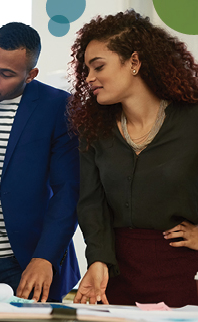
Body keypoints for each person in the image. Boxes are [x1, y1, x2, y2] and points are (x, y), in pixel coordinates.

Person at [68, 10, 198, 307]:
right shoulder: (94, 130)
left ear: (135, 62)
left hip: (185, 271)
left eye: (98, 66)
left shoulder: (193, 120)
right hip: (117, 272)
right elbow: (91, 202)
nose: (89, 78)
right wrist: (98, 259)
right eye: (86, 69)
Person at [0, 22, 80, 302]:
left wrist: (45, 257)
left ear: (30, 75)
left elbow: (68, 191)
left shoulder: (57, 107)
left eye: (6, 74)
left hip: (26, 260)